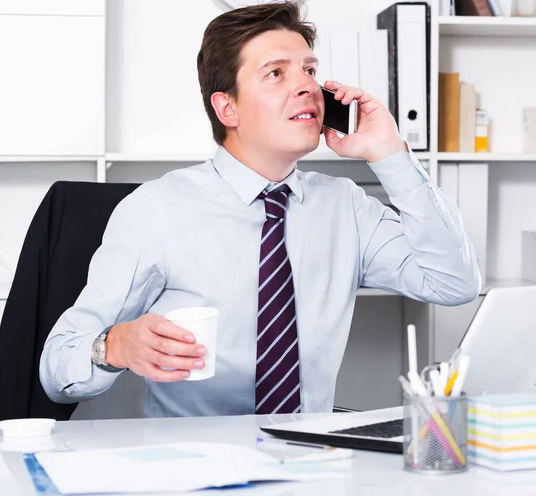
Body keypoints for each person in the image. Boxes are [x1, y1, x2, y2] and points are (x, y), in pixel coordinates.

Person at [40, 1, 481, 417]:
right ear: (227, 107)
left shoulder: (345, 206)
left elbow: (453, 283)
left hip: (307, 458)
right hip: (196, 461)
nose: (307, 85)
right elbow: (57, 368)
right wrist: (114, 347)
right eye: (276, 73)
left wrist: (389, 152)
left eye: (310, 69)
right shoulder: (157, 211)